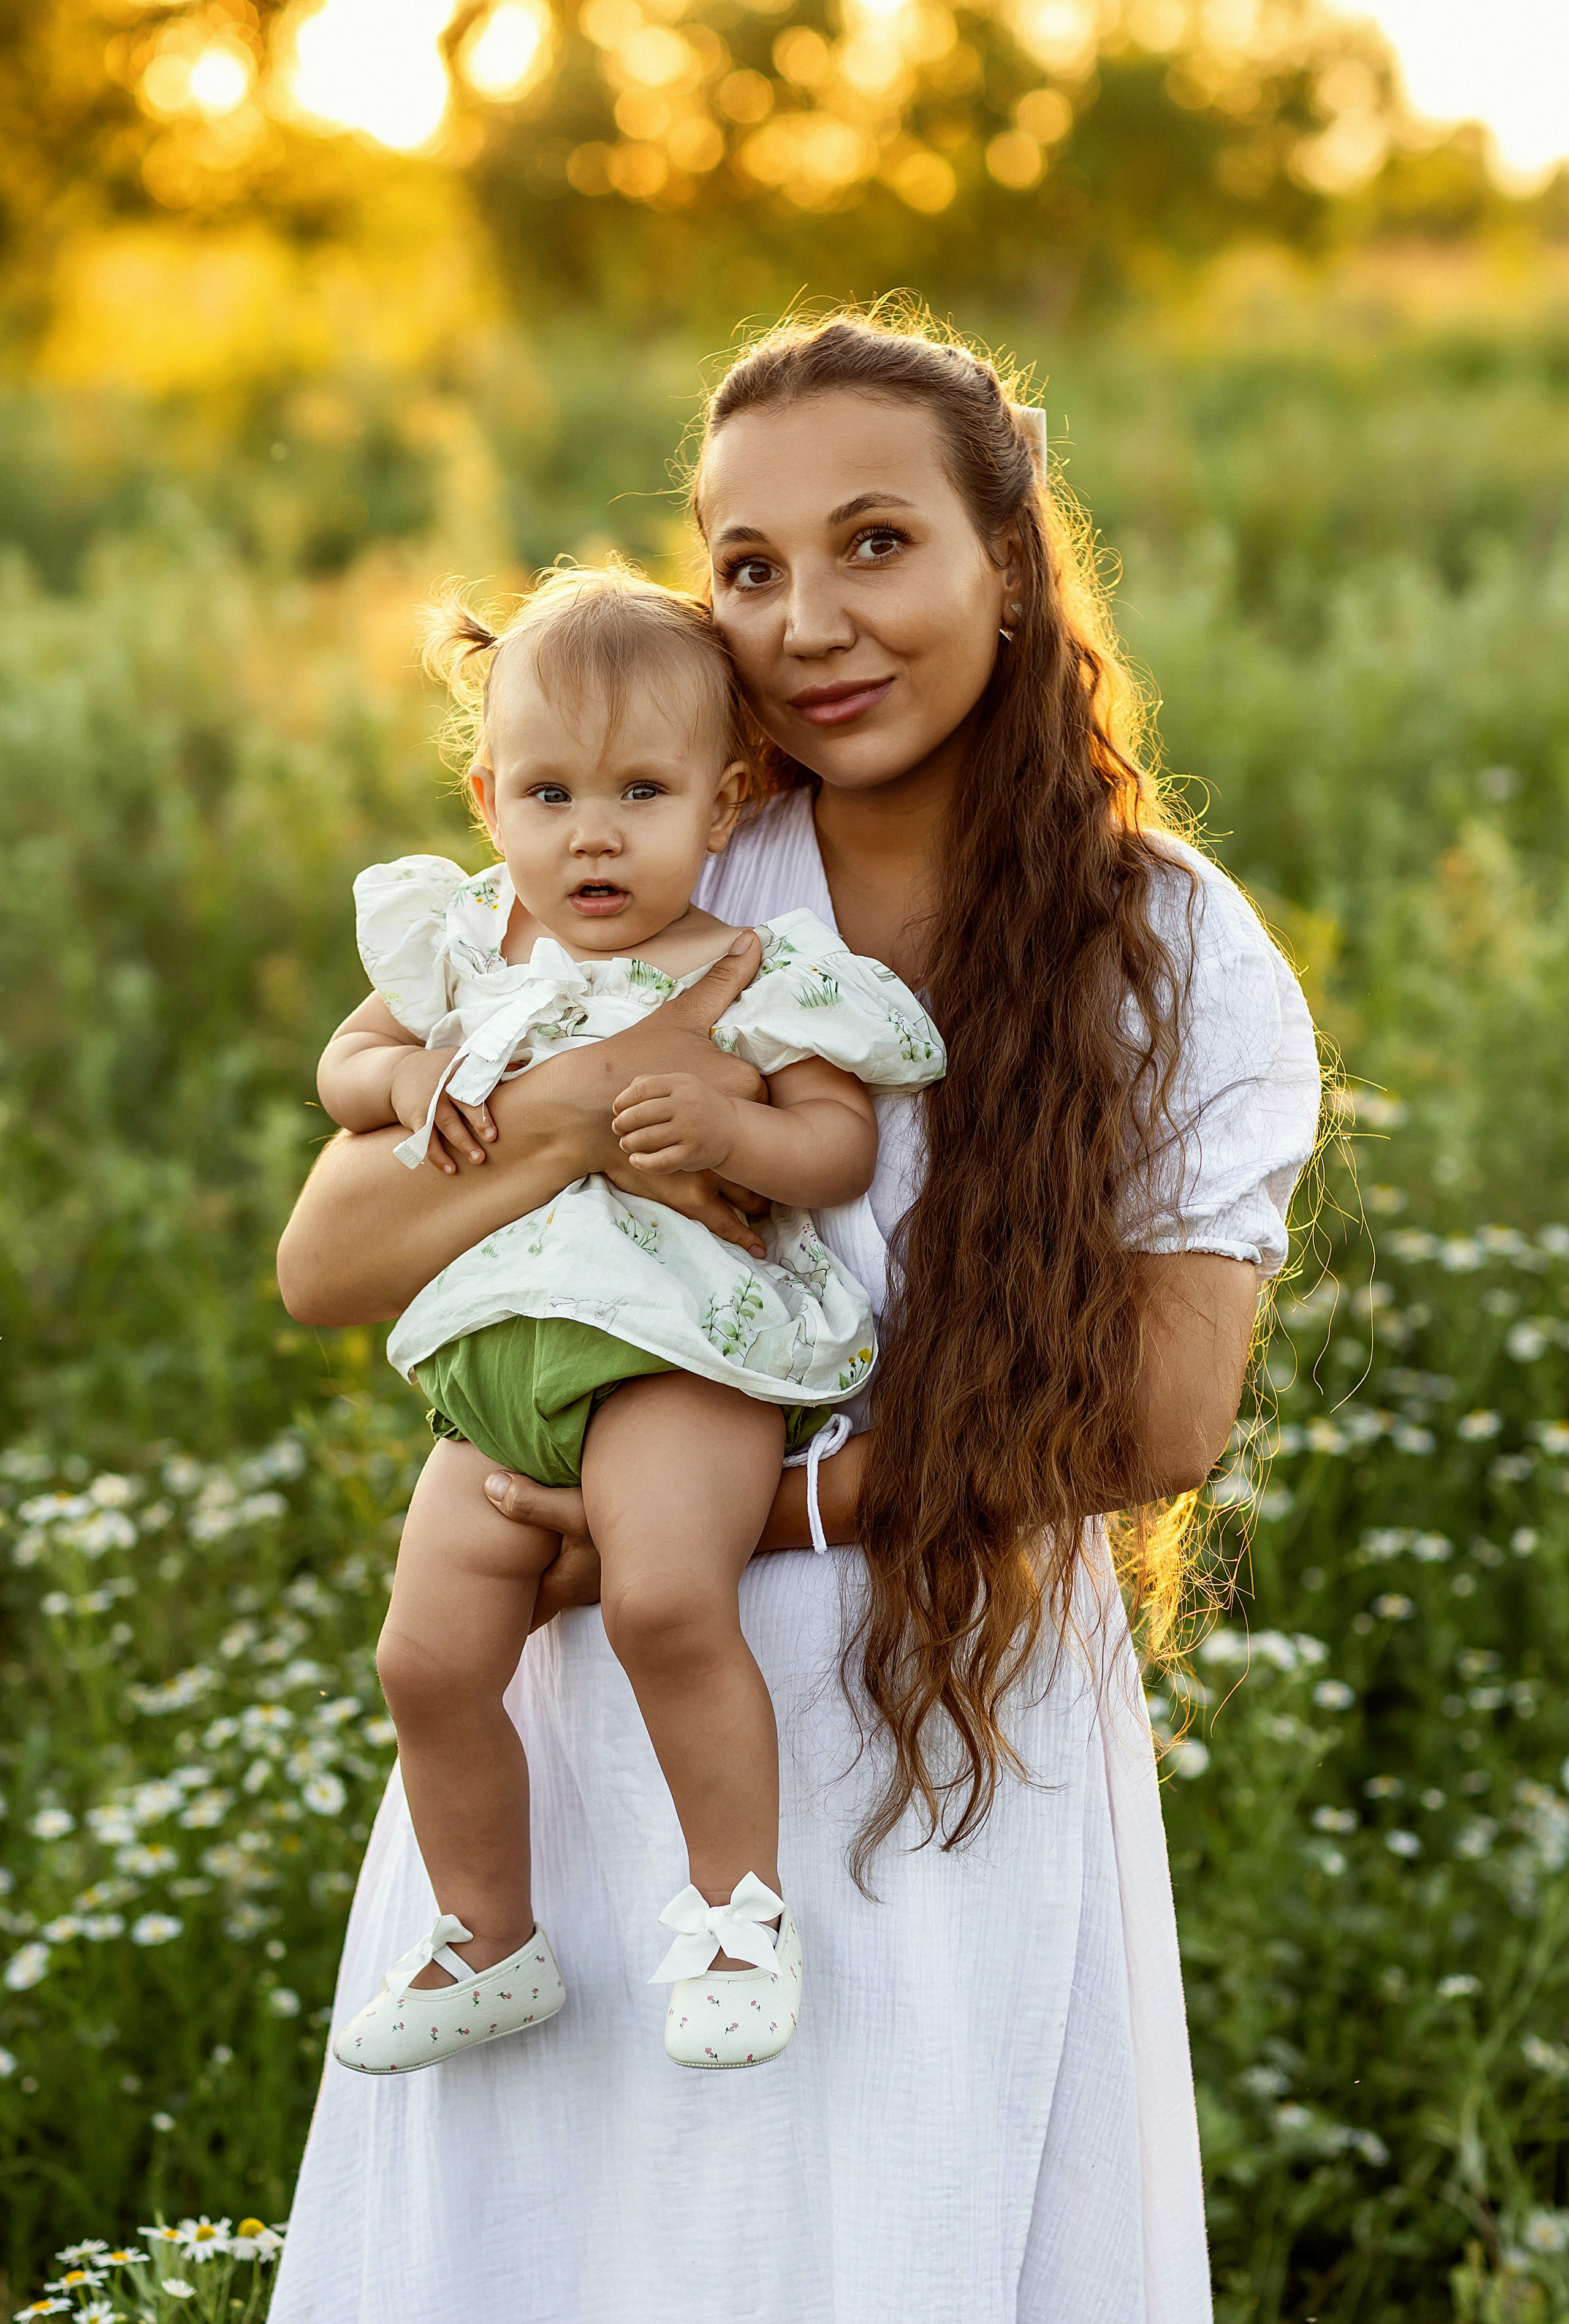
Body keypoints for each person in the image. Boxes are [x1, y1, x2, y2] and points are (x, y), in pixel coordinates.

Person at [271, 309, 1320, 2324]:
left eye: (875, 545)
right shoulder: (651, 854)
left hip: (937, 1719)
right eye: (747, 567)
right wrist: (597, 1095)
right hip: (590, 1731)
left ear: (1006, 565)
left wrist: (756, 1515)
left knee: (891, 2253)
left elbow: (1167, 1415)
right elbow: (333, 1256)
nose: (809, 622)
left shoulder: (1168, 942)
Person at [315, 564, 942, 2075]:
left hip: (683, 1355)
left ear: (721, 807)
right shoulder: (470, 947)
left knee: (665, 1598)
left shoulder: (754, 968)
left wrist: (733, 1136)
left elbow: (835, 1147)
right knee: (423, 1659)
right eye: (548, 795)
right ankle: (489, 1935)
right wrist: (404, 1078)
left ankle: (736, 1913)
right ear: (488, 802)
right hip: (500, 1369)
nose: (589, 836)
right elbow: (343, 1068)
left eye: (639, 794)